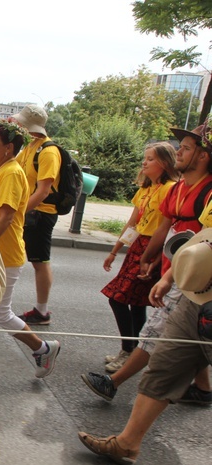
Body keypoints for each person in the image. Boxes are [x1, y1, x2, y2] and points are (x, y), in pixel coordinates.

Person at [81, 122, 212, 404]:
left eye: (187, 148)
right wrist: (147, 258)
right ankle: (203, 390)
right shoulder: (177, 190)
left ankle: (113, 382)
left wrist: (170, 274)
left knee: (157, 329)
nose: (180, 152)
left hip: (193, 273)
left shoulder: (207, 192)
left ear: (203, 156)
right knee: (193, 334)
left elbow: (204, 241)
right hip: (169, 264)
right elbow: (158, 226)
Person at [78, 227, 212, 465]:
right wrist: (169, 277)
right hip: (197, 290)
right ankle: (127, 444)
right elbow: (201, 245)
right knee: (164, 363)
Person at [0, 120, 60, 378]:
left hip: (3, 254)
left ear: (9, 148)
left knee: (1, 313)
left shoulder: (12, 173)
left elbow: (6, 217)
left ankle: (43, 348)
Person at [97, 143, 179, 372]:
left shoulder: (169, 188)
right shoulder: (145, 189)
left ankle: (129, 350)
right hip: (138, 246)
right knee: (135, 302)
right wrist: (115, 251)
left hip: (152, 248)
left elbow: (167, 226)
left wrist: (154, 258)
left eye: (150, 159)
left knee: (119, 298)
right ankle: (133, 351)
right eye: (145, 158)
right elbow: (132, 223)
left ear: (164, 163)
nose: (144, 163)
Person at [11, 105, 59, 325]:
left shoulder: (48, 151)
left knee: (40, 262)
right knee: (9, 256)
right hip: (29, 212)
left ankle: (42, 311)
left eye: (21, 122)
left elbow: (43, 190)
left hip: (40, 214)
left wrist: (19, 212)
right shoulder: (31, 146)